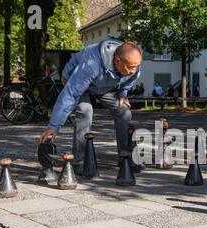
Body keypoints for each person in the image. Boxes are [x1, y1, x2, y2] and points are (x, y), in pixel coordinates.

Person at [39, 38, 142, 173]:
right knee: (85, 111)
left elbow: (130, 79)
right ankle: (80, 161)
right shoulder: (92, 63)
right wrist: (54, 126)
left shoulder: (132, 62)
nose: (133, 71)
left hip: (103, 85)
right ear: (118, 61)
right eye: (130, 67)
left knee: (124, 112)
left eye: (136, 67)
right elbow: (70, 94)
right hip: (76, 80)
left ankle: (125, 157)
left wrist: (122, 94)